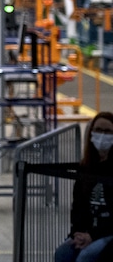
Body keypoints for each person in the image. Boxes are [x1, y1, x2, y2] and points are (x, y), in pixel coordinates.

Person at [55, 112, 113, 262]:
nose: (102, 135)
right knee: (63, 253)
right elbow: (78, 206)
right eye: (98, 130)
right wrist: (77, 233)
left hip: (108, 232)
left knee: (87, 256)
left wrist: (93, 236)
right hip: (88, 232)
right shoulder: (86, 166)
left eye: (108, 131)